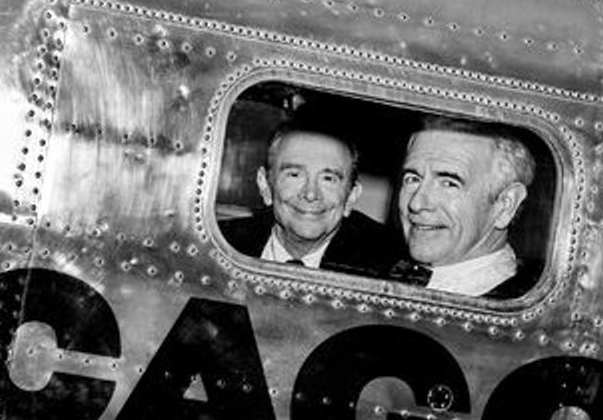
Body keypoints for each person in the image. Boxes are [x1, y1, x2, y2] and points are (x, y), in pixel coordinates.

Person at [221, 115, 405, 276]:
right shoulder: (220, 246)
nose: (310, 194)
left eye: (328, 178)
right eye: (294, 174)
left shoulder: (388, 268)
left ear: (351, 197)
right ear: (264, 185)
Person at [393, 116, 536, 297]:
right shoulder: (370, 262)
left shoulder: (520, 311)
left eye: (449, 183)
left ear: (505, 205)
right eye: (412, 179)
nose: (416, 203)